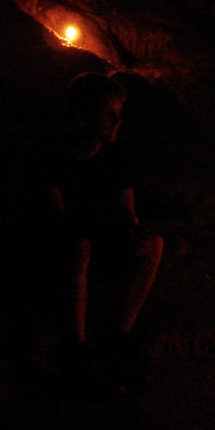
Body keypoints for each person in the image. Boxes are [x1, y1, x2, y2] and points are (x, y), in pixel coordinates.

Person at [30, 72, 164, 396]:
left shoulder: (117, 155)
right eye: (109, 113)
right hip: (54, 243)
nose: (118, 120)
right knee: (78, 246)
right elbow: (55, 219)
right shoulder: (51, 153)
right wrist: (99, 232)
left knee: (154, 244)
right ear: (81, 117)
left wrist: (134, 232)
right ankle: (74, 352)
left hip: (93, 237)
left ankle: (117, 342)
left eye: (120, 112)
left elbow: (126, 210)